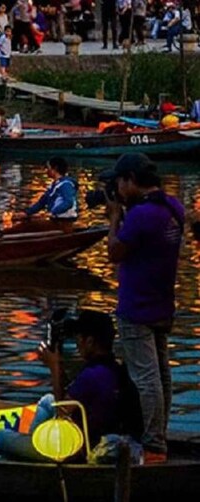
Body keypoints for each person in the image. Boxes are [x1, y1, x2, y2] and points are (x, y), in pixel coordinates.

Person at [102, 153, 184, 464]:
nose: (118, 189)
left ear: (131, 181)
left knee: (146, 378)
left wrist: (113, 217)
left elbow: (114, 252)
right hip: (163, 304)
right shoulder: (172, 207)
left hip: (137, 307)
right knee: (162, 375)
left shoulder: (140, 216)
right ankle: (159, 436)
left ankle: (153, 446)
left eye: (120, 183)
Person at [37, 310, 142, 446]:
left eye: (79, 338)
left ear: (90, 342)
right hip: (108, 435)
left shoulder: (92, 375)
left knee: (4, 437)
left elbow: (61, 412)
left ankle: (34, 442)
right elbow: (69, 394)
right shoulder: (116, 368)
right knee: (47, 401)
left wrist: (54, 367)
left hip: (82, 447)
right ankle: (32, 438)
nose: (77, 343)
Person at [12, 156, 77, 233]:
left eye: (48, 168)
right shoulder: (54, 186)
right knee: (26, 220)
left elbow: (68, 202)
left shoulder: (65, 185)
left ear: (55, 169)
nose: (46, 170)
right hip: (55, 221)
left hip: (63, 223)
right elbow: (41, 203)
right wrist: (26, 213)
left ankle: (2, 235)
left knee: (29, 225)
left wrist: (52, 211)